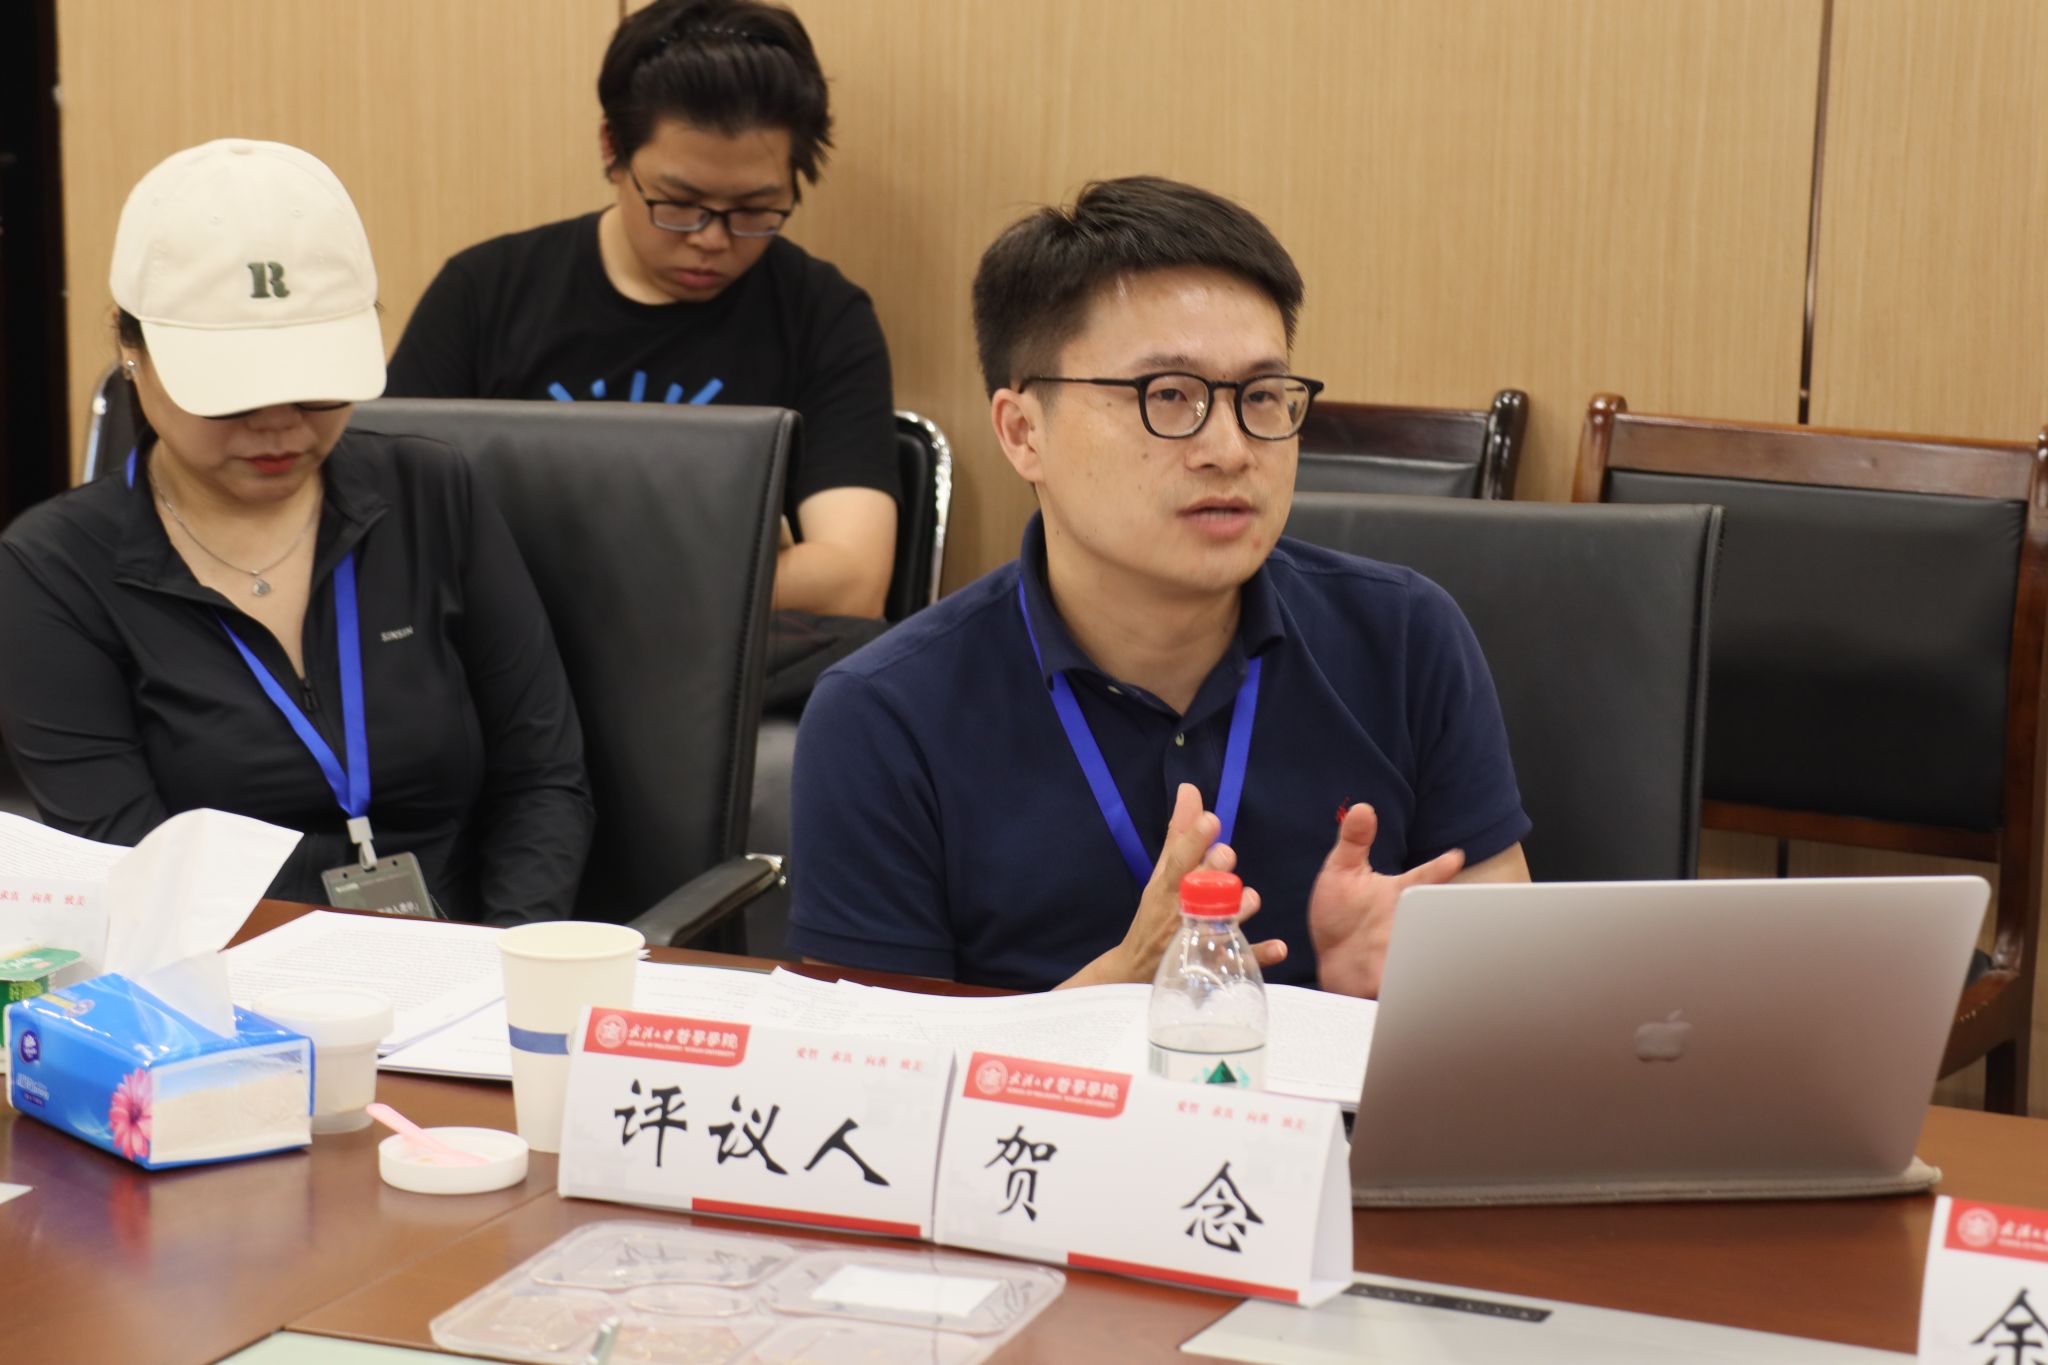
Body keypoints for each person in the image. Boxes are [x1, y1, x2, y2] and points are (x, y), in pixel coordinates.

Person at [787, 176, 1531, 995]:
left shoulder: (1406, 637)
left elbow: (1509, 989)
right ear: (1023, 431)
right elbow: (880, 1063)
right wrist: (1123, 983)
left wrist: (1393, 995)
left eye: (1261, 396)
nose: (1231, 449)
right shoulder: (883, 717)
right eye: (1168, 396)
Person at [0, 138, 594, 925]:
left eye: (314, 384)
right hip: (220, 975)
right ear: (129, 347)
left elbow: (542, 780)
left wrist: (506, 961)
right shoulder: (54, 570)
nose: (279, 424)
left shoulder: (432, 496)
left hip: (463, 962)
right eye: (233, 393)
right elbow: (130, 870)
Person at [387, 0, 899, 634]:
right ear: (613, 150)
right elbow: (390, 528)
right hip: (504, 656)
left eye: (754, 210)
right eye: (679, 203)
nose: (712, 239)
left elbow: (853, 583)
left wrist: (571, 582)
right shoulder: (484, 292)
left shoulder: (824, 315)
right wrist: (716, 576)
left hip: (722, 672)